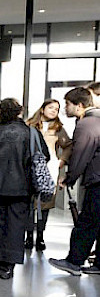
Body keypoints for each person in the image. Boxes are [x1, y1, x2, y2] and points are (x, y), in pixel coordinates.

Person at [0, 98, 44, 279]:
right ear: (19, 111)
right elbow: (44, 156)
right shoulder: (30, 132)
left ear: (0, 112)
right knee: (16, 225)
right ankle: (10, 263)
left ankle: (1, 261)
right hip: (22, 187)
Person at [49, 87, 100, 276]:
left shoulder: (87, 124)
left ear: (79, 105)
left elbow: (80, 156)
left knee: (87, 222)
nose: (65, 109)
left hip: (98, 182)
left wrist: (69, 178)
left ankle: (74, 262)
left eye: (68, 104)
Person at [25, 99, 71, 251]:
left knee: (45, 203)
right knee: (30, 203)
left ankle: (40, 237)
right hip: (31, 167)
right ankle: (29, 236)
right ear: (43, 108)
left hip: (49, 169)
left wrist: (61, 161)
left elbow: (68, 146)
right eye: (51, 107)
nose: (53, 111)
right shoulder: (29, 125)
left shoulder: (58, 128)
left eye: (57, 109)